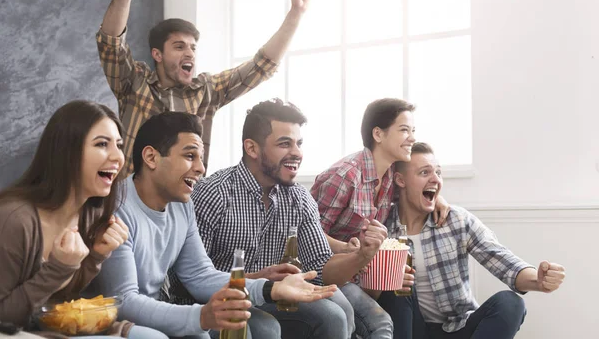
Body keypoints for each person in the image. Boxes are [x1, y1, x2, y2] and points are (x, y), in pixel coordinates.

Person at [89, 111, 337, 339]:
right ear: (151, 157)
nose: (200, 168)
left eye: (200, 158)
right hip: (112, 318)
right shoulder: (117, 209)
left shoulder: (182, 205)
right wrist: (201, 316)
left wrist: (271, 288)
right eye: (189, 156)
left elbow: (199, 275)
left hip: (157, 310)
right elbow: (126, 301)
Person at [176, 98, 392, 339]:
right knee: (266, 328)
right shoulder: (213, 193)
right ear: (252, 148)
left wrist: (362, 254)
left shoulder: (298, 198)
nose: (297, 153)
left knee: (334, 316)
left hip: (272, 297)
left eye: (299, 143)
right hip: (217, 302)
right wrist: (257, 281)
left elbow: (322, 270)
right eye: (284, 144)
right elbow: (190, 280)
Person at [97, 0, 310, 176]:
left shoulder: (206, 91)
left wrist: (296, 14)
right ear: (157, 54)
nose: (189, 53)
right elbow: (111, 43)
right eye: (179, 47)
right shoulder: (134, 82)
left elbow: (261, 65)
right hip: (131, 201)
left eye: (193, 47)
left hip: (184, 202)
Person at [0, 100, 165, 339]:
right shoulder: (14, 220)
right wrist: (58, 268)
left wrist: (95, 256)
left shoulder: (90, 213)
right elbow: (4, 319)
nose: (117, 157)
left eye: (118, 145)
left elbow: (59, 304)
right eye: (101, 144)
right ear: (66, 151)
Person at [378, 142, 567, 339]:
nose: (436, 179)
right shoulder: (382, 227)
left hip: (458, 328)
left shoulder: (456, 220)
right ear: (400, 180)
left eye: (438, 172)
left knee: (511, 303)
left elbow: (503, 261)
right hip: (410, 330)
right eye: (425, 173)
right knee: (395, 283)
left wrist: (539, 280)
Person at [310, 98, 449, 338]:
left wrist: (438, 197)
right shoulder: (344, 177)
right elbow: (307, 234)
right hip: (325, 274)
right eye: (404, 130)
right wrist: (347, 249)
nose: (412, 138)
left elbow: (419, 184)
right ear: (378, 134)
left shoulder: (390, 176)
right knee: (380, 323)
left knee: (404, 285)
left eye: (413, 130)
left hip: (359, 273)